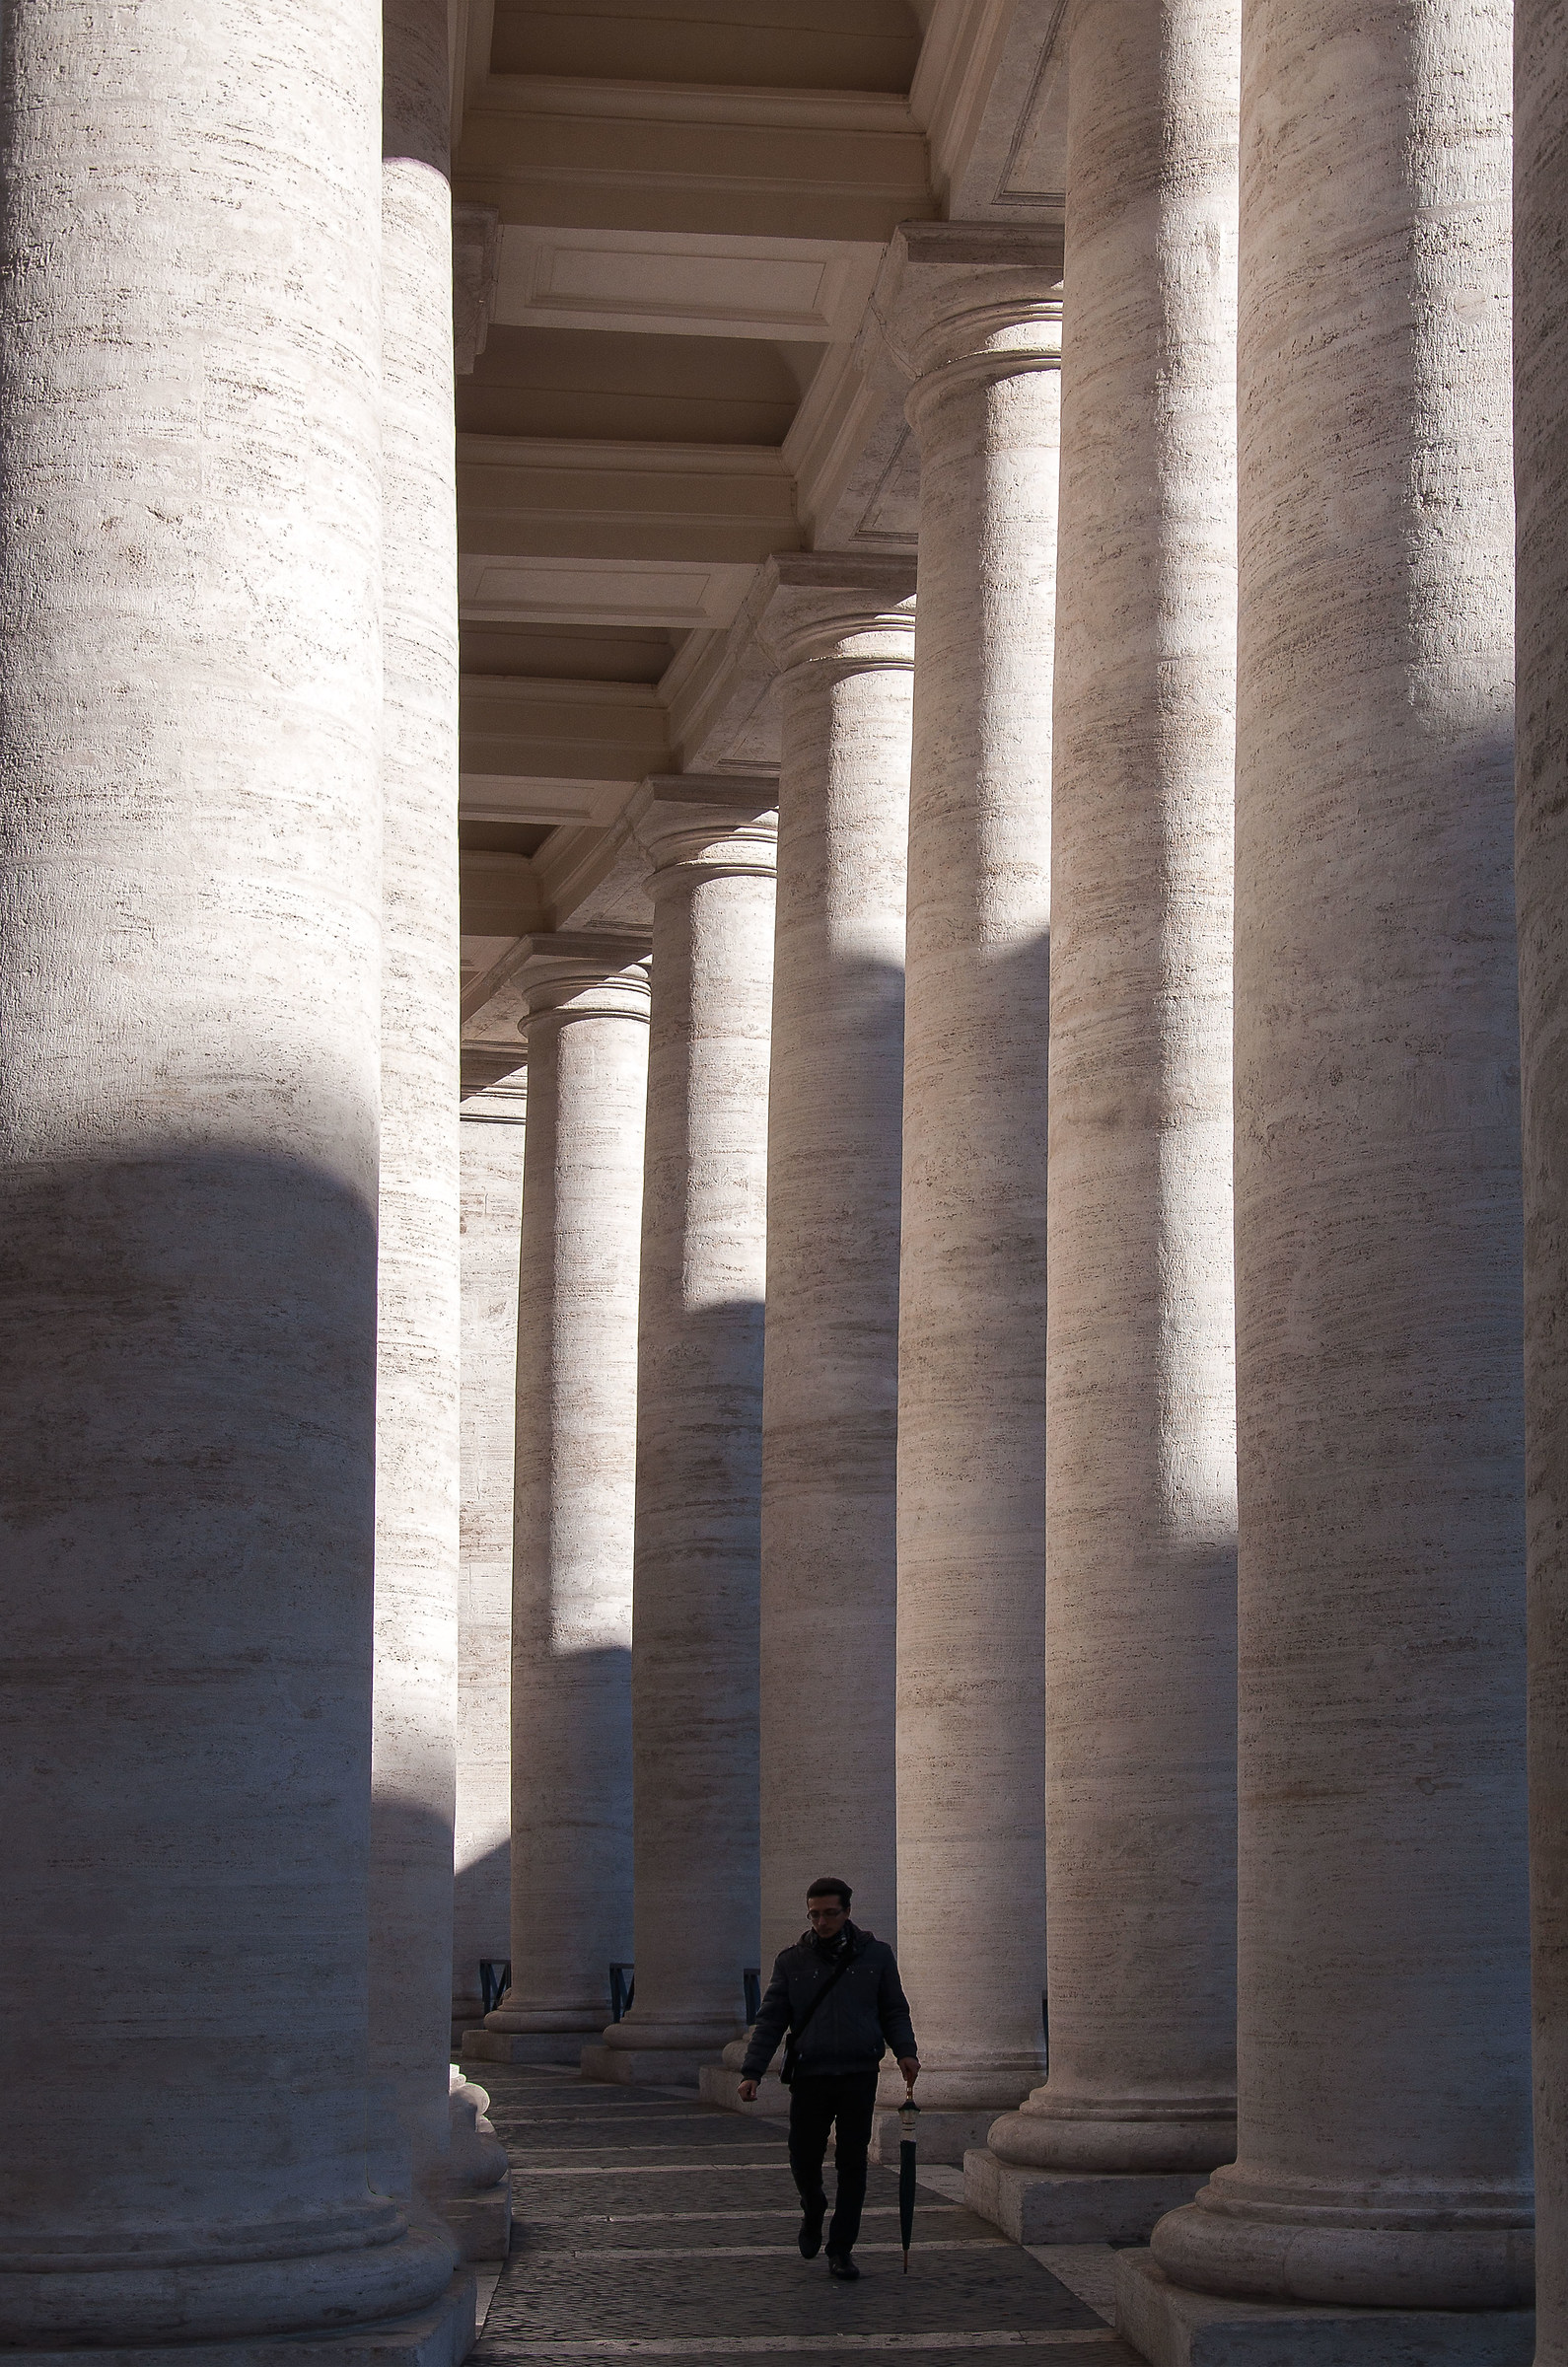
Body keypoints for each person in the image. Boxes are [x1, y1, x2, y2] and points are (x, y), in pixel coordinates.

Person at [738, 1877, 919, 2280]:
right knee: (803, 2157)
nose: (821, 1922)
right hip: (810, 2074)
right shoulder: (792, 1961)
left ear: (847, 1912)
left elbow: (894, 2009)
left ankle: (841, 2248)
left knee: (852, 2162)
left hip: (857, 2073)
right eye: (815, 1914)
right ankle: (813, 2205)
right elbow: (771, 2020)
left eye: (830, 1914)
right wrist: (752, 2072)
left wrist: (906, 2051)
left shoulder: (877, 1956)